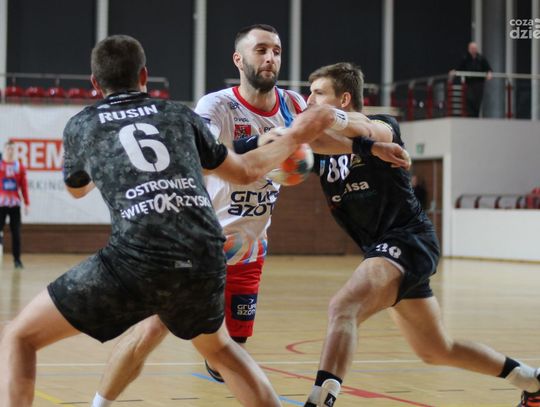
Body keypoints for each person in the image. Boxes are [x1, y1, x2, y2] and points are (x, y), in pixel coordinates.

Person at [0, 34, 338, 407]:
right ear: (145, 76)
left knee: (19, 337)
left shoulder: (84, 124)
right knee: (219, 349)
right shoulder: (180, 114)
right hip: (206, 251)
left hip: (139, 256)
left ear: (95, 83)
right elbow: (243, 171)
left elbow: (76, 189)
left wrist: (104, 163)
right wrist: (296, 137)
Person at [89, 26, 410, 407]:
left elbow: (324, 140)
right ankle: (100, 404)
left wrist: (371, 149)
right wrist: (259, 143)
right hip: (195, 241)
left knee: (228, 353)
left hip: (247, 248)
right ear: (239, 60)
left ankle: (213, 352)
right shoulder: (217, 105)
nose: (271, 57)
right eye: (261, 50)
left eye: (276, 50)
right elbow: (200, 154)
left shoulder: (292, 104)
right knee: (153, 328)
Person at [300, 62, 540, 407]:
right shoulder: (323, 148)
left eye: (318, 93)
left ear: (344, 99)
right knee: (437, 349)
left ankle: (319, 400)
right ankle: (532, 380)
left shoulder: (383, 124)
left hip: (408, 240)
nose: (310, 100)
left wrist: (332, 120)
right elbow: (299, 140)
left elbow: (369, 130)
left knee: (343, 307)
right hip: (383, 251)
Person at [0, 140, 30, 269]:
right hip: (1, 205)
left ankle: (17, 260)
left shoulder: (20, 167)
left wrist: (27, 203)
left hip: (15, 205)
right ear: (4, 150)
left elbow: (24, 186)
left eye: (13, 149)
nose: (10, 151)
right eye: (8, 149)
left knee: (16, 233)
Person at [451, 41, 493, 117]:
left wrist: (489, 73)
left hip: (479, 84)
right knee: (469, 100)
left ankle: (476, 116)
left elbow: (488, 68)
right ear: (469, 49)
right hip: (469, 83)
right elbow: (459, 67)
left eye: (475, 48)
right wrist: (454, 71)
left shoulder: (481, 58)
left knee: (477, 101)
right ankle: (470, 116)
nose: (474, 50)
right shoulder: (465, 58)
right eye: (472, 48)